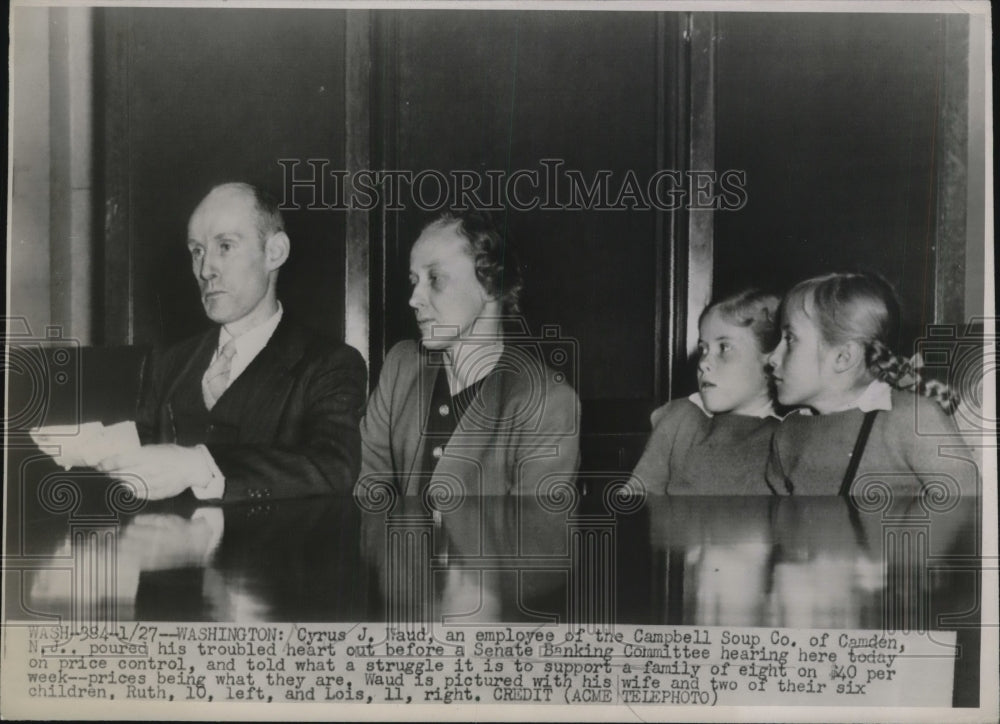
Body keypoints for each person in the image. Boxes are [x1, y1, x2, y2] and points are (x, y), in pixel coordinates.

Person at [97, 183, 367, 501]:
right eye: (197, 251)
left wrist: (200, 465)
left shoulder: (329, 364)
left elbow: (334, 468)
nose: (205, 269)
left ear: (275, 252)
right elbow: (139, 450)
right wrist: (93, 448)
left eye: (225, 246)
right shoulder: (170, 362)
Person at [355, 210, 580, 498]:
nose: (414, 298)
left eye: (435, 278)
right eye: (415, 280)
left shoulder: (548, 402)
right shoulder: (402, 366)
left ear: (490, 286)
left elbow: (534, 535)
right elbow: (366, 489)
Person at [765, 272, 976, 497]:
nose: (772, 358)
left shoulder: (912, 419)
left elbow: (971, 513)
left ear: (843, 357)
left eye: (789, 339)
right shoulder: (787, 432)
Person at [630, 289, 781, 495]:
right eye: (703, 349)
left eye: (724, 348)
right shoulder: (680, 418)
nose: (704, 363)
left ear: (772, 359)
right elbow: (637, 500)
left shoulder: (789, 433)